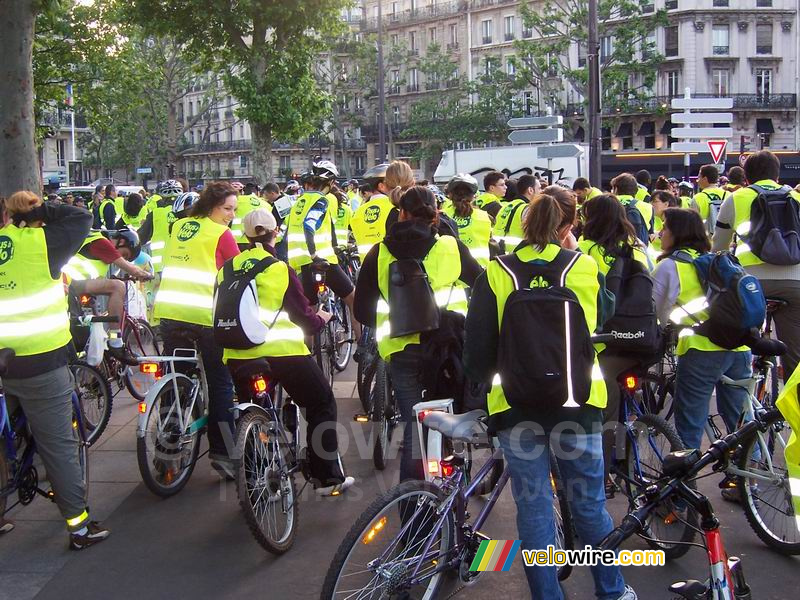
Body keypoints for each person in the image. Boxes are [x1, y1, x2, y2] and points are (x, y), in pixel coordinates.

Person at [463, 189, 634, 600]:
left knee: (534, 509)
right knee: (590, 507)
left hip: (515, 408)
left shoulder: (497, 273)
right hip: (577, 405)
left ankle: (547, 595)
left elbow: (478, 352)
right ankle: (612, 591)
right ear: (568, 226)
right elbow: (605, 314)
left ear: (524, 224)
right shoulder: (584, 266)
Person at [0, 191, 110, 548]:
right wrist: (42, 209)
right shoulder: (43, 242)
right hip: (38, 361)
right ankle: (78, 528)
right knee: (59, 447)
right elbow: (81, 218)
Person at [219, 209, 355, 495]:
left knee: (252, 415)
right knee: (321, 402)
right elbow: (304, 318)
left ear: (244, 235)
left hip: (238, 355)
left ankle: (257, 480)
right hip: (283, 354)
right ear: (274, 233)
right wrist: (323, 319)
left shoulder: (227, 269)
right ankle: (326, 477)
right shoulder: (279, 269)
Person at [354, 186, 480, 482]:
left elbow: (361, 311)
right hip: (446, 349)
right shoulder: (450, 247)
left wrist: (397, 319)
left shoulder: (379, 253)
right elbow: (483, 285)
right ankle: (452, 494)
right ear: (436, 215)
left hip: (400, 352)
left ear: (401, 213)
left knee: (416, 429)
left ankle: (413, 517)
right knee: (447, 421)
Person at [653, 208, 752, 476]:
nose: (661, 233)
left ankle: (683, 493)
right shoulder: (722, 261)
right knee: (740, 421)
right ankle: (747, 479)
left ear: (678, 234)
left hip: (700, 350)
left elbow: (657, 313)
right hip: (740, 348)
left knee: (689, 426)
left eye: (665, 228)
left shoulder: (669, 266)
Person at [153, 181, 240, 478]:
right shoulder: (221, 234)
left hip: (170, 314)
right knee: (221, 383)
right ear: (213, 205)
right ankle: (224, 454)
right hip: (205, 317)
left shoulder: (180, 227)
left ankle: (167, 451)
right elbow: (238, 273)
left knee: (176, 382)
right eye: (227, 208)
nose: (231, 214)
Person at [577, 193, 651, 496]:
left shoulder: (584, 249)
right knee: (626, 400)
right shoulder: (639, 249)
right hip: (641, 341)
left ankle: (603, 475)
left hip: (605, 343)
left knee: (601, 411)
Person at [712, 150, 800, 380]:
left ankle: (745, 397)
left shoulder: (737, 198)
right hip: (796, 283)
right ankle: (793, 409)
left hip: (751, 285)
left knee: (740, 344)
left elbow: (718, 248)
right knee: (795, 355)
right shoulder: (797, 198)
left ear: (746, 178)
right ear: (777, 176)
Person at [284, 161, 358, 328]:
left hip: (300, 263)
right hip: (323, 261)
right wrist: (314, 254)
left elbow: (286, 231)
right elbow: (309, 225)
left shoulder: (298, 202)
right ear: (331, 183)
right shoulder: (321, 201)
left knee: (309, 310)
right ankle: (361, 347)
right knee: (354, 301)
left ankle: (309, 352)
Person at [350, 163, 399, 260]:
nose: (397, 187)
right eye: (393, 183)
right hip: (389, 268)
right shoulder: (394, 207)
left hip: (366, 267)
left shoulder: (358, 212)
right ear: (381, 186)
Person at [442, 174, 492, 267]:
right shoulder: (484, 217)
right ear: (473, 196)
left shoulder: (441, 216)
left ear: (450, 195)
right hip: (479, 272)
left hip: (451, 274)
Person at [137, 179, 184, 273]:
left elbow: (140, 238)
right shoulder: (189, 213)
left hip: (160, 267)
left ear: (161, 197)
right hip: (183, 265)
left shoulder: (155, 214)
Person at [492, 174, 536, 253]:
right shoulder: (527, 209)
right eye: (539, 188)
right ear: (530, 190)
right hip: (519, 255)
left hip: (502, 252)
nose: (542, 192)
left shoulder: (505, 206)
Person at [611, 173, 654, 243]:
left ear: (616, 189)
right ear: (636, 191)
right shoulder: (648, 207)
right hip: (637, 250)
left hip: (610, 249)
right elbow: (650, 234)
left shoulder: (607, 203)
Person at [692, 164, 728, 232]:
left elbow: (693, 225)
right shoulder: (728, 195)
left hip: (706, 240)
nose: (697, 180)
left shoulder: (698, 198)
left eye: (699, 177)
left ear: (705, 179)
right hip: (727, 240)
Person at [649, 190, 680, 261]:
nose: (651, 204)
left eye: (655, 201)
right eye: (650, 201)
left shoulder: (676, 222)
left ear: (666, 204)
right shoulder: (653, 219)